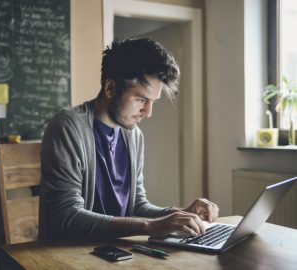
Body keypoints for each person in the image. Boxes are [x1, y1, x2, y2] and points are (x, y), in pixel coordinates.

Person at [39, 38, 219, 241]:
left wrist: (182, 215)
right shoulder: (67, 127)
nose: (148, 112)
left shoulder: (133, 135)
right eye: (141, 99)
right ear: (110, 88)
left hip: (117, 252)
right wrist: (149, 226)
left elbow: (136, 205)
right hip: (70, 254)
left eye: (153, 102)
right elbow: (66, 216)